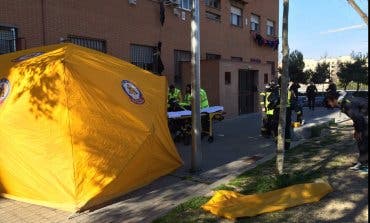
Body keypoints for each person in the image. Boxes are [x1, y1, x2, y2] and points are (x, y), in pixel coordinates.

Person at [326, 91, 368, 173]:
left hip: (365, 118)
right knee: (361, 139)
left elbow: (358, 118)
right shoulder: (344, 102)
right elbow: (356, 118)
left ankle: (365, 165)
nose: (329, 104)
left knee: (363, 140)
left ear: (334, 99)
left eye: (329, 101)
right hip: (363, 117)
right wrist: (357, 130)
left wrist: (358, 131)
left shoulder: (347, 104)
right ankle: (363, 162)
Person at [269, 81, 292, 150]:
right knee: (287, 128)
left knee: (275, 127)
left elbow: (270, 99)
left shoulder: (277, 90)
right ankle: (287, 147)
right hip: (287, 111)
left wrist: (272, 103)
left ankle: (278, 143)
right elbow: (293, 102)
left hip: (278, 111)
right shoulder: (289, 91)